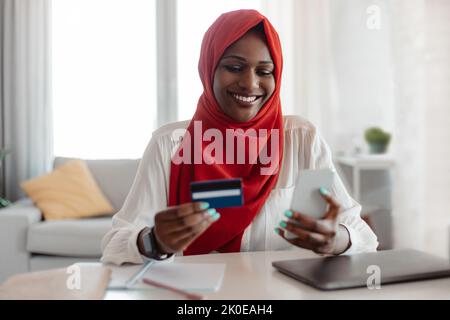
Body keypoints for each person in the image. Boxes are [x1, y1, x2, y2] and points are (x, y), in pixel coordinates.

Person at [101, 9, 378, 265]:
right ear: (209, 68)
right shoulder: (169, 144)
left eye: (264, 71)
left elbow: (363, 236)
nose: (249, 83)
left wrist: (337, 239)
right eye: (234, 67)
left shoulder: (301, 140)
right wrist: (154, 240)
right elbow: (114, 245)